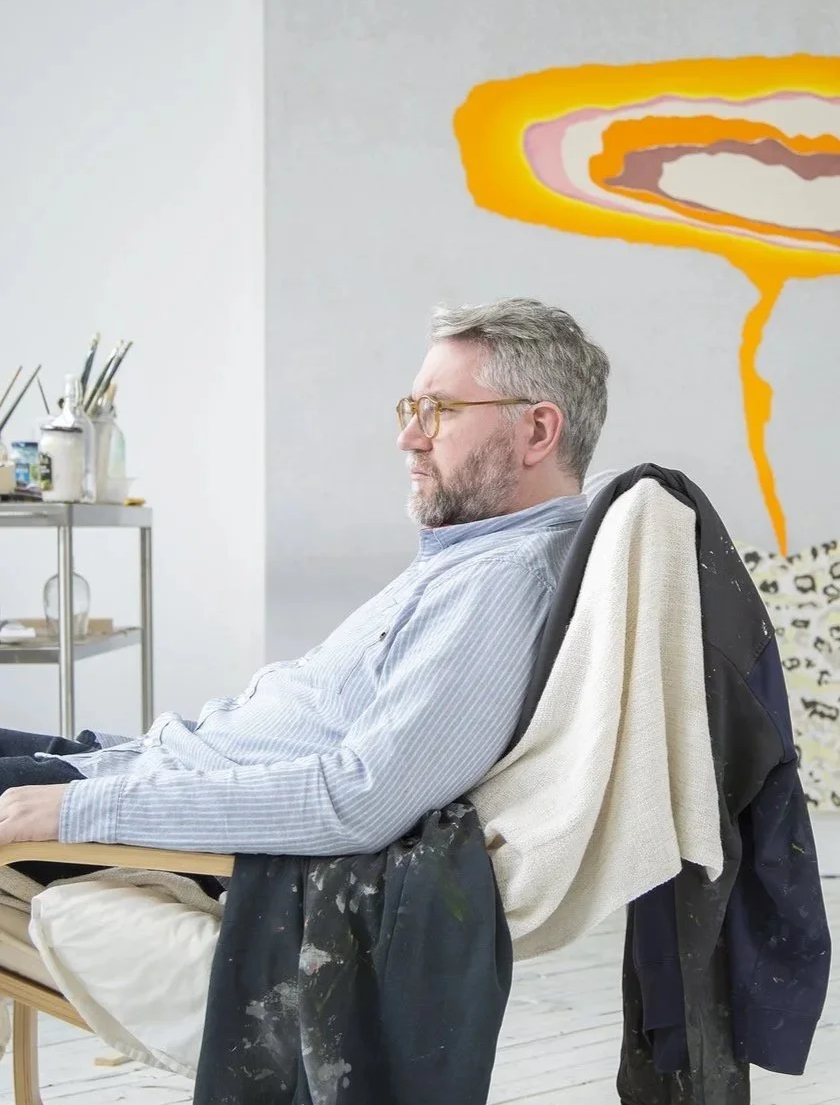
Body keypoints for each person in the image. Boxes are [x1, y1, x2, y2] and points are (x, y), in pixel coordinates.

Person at [0, 298, 609, 865]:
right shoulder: (474, 556)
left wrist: (79, 806)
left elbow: (361, 800)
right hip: (146, 764)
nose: (409, 438)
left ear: (536, 432)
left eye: (440, 411)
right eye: (412, 409)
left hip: (138, 807)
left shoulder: (504, 582)